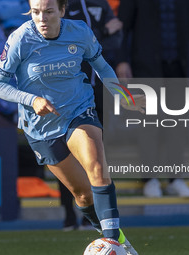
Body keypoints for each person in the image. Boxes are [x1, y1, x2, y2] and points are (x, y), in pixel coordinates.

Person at [0, 0, 138, 254]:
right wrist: (31, 99)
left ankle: (113, 244)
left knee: (97, 167)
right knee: (82, 195)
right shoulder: (20, 39)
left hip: (78, 110)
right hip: (40, 128)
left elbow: (100, 65)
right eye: (36, 12)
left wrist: (122, 95)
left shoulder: (79, 32)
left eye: (48, 12)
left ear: (62, 10)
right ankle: (119, 242)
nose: (42, 18)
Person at [116, 0, 189, 197]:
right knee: (149, 126)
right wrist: (122, 60)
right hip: (146, 67)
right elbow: (122, 26)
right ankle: (150, 179)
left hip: (180, 68)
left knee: (177, 127)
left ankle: (175, 179)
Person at [59, 0, 123, 231]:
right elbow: (66, 38)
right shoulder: (62, 5)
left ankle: (93, 217)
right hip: (69, 91)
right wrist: (104, 31)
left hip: (98, 90)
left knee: (95, 155)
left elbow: (115, 37)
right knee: (66, 155)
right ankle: (68, 214)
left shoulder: (99, 3)